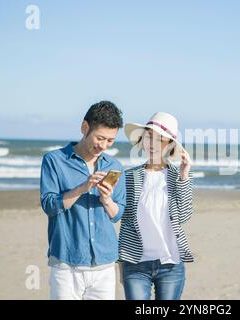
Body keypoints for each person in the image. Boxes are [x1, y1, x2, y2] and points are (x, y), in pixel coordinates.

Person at [40, 100, 126, 300]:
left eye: (110, 141)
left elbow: (117, 214)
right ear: (84, 127)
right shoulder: (54, 161)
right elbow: (49, 206)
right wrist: (82, 188)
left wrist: (106, 200)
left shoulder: (115, 165)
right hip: (66, 263)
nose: (103, 146)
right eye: (100, 138)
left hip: (104, 264)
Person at [119, 111, 194, 300]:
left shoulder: (179, 176)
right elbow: (125, 222)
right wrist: (121, 263)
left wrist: (184, 175)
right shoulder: (129, 176)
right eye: (149, 137)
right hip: (135, 263)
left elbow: (185, 216)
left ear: (169, 145)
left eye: (160, 140)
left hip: (171, 264)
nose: (152, 144)